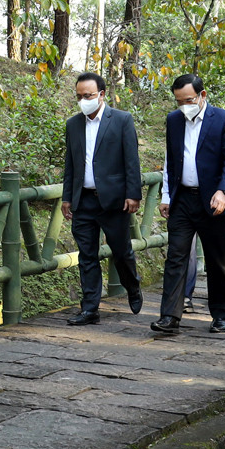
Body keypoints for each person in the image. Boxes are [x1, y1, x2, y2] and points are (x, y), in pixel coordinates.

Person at [153, 75, 225, 335]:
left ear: (203, 95)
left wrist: (223, 192)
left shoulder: (224, 119)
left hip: (214, 200)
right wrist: (166, 195)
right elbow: (171, 160)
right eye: (179, 101)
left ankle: (221, 314)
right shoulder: (174, 120)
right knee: (176, 256)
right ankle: (170, 316)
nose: (184, 106)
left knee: (218, 259)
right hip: (182, 199)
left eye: (189, 100)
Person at [60, 72, 144, 325]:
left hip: (113, 200)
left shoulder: (121, 120)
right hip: (83, 201)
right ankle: (90, 308)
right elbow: (70, 165)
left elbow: (131, 161)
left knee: (121, 251)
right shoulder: (73, 124)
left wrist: (133, 194)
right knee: (87, 255)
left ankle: (133, 286)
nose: (83, 100)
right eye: (79, 96)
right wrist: (67, 198)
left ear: (102, 94)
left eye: (88, 95)